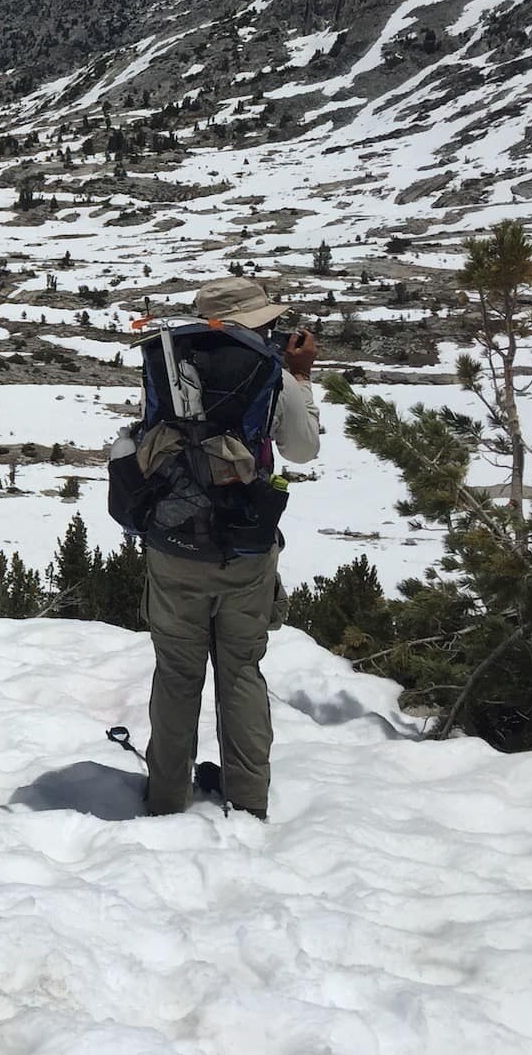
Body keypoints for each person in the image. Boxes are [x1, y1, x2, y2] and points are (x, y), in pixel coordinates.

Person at [143, 277, 320, 821]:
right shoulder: (272, 374)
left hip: (172, 539)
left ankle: (167, 798)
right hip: (245, 546)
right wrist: (302, 379)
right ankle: (248, 801)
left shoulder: (170, 361)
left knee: (176, 673)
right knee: (240, 670)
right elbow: (303, 450)